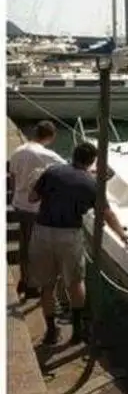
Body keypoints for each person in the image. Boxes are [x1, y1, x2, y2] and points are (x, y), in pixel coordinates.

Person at [29, 141, 128, 346]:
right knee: (75, 283)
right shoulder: (91, 184)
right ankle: (78, 332)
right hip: (69, 235)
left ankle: (51, 332)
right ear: (92, 161)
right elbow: (107, 214)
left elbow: (32, 198)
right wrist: (123, 235)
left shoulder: (52, 172)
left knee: (47, 286)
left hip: (42, 232)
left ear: (73, 154)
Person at [9, 120, 63, 299]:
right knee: (38, 248)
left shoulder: (17, 151)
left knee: (24, 243)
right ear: (51, 136)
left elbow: (13, 177)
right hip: (35, 207)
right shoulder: (47, 155)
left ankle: (25, 279)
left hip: (19, 203)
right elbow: (68, 170)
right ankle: (32, 285)